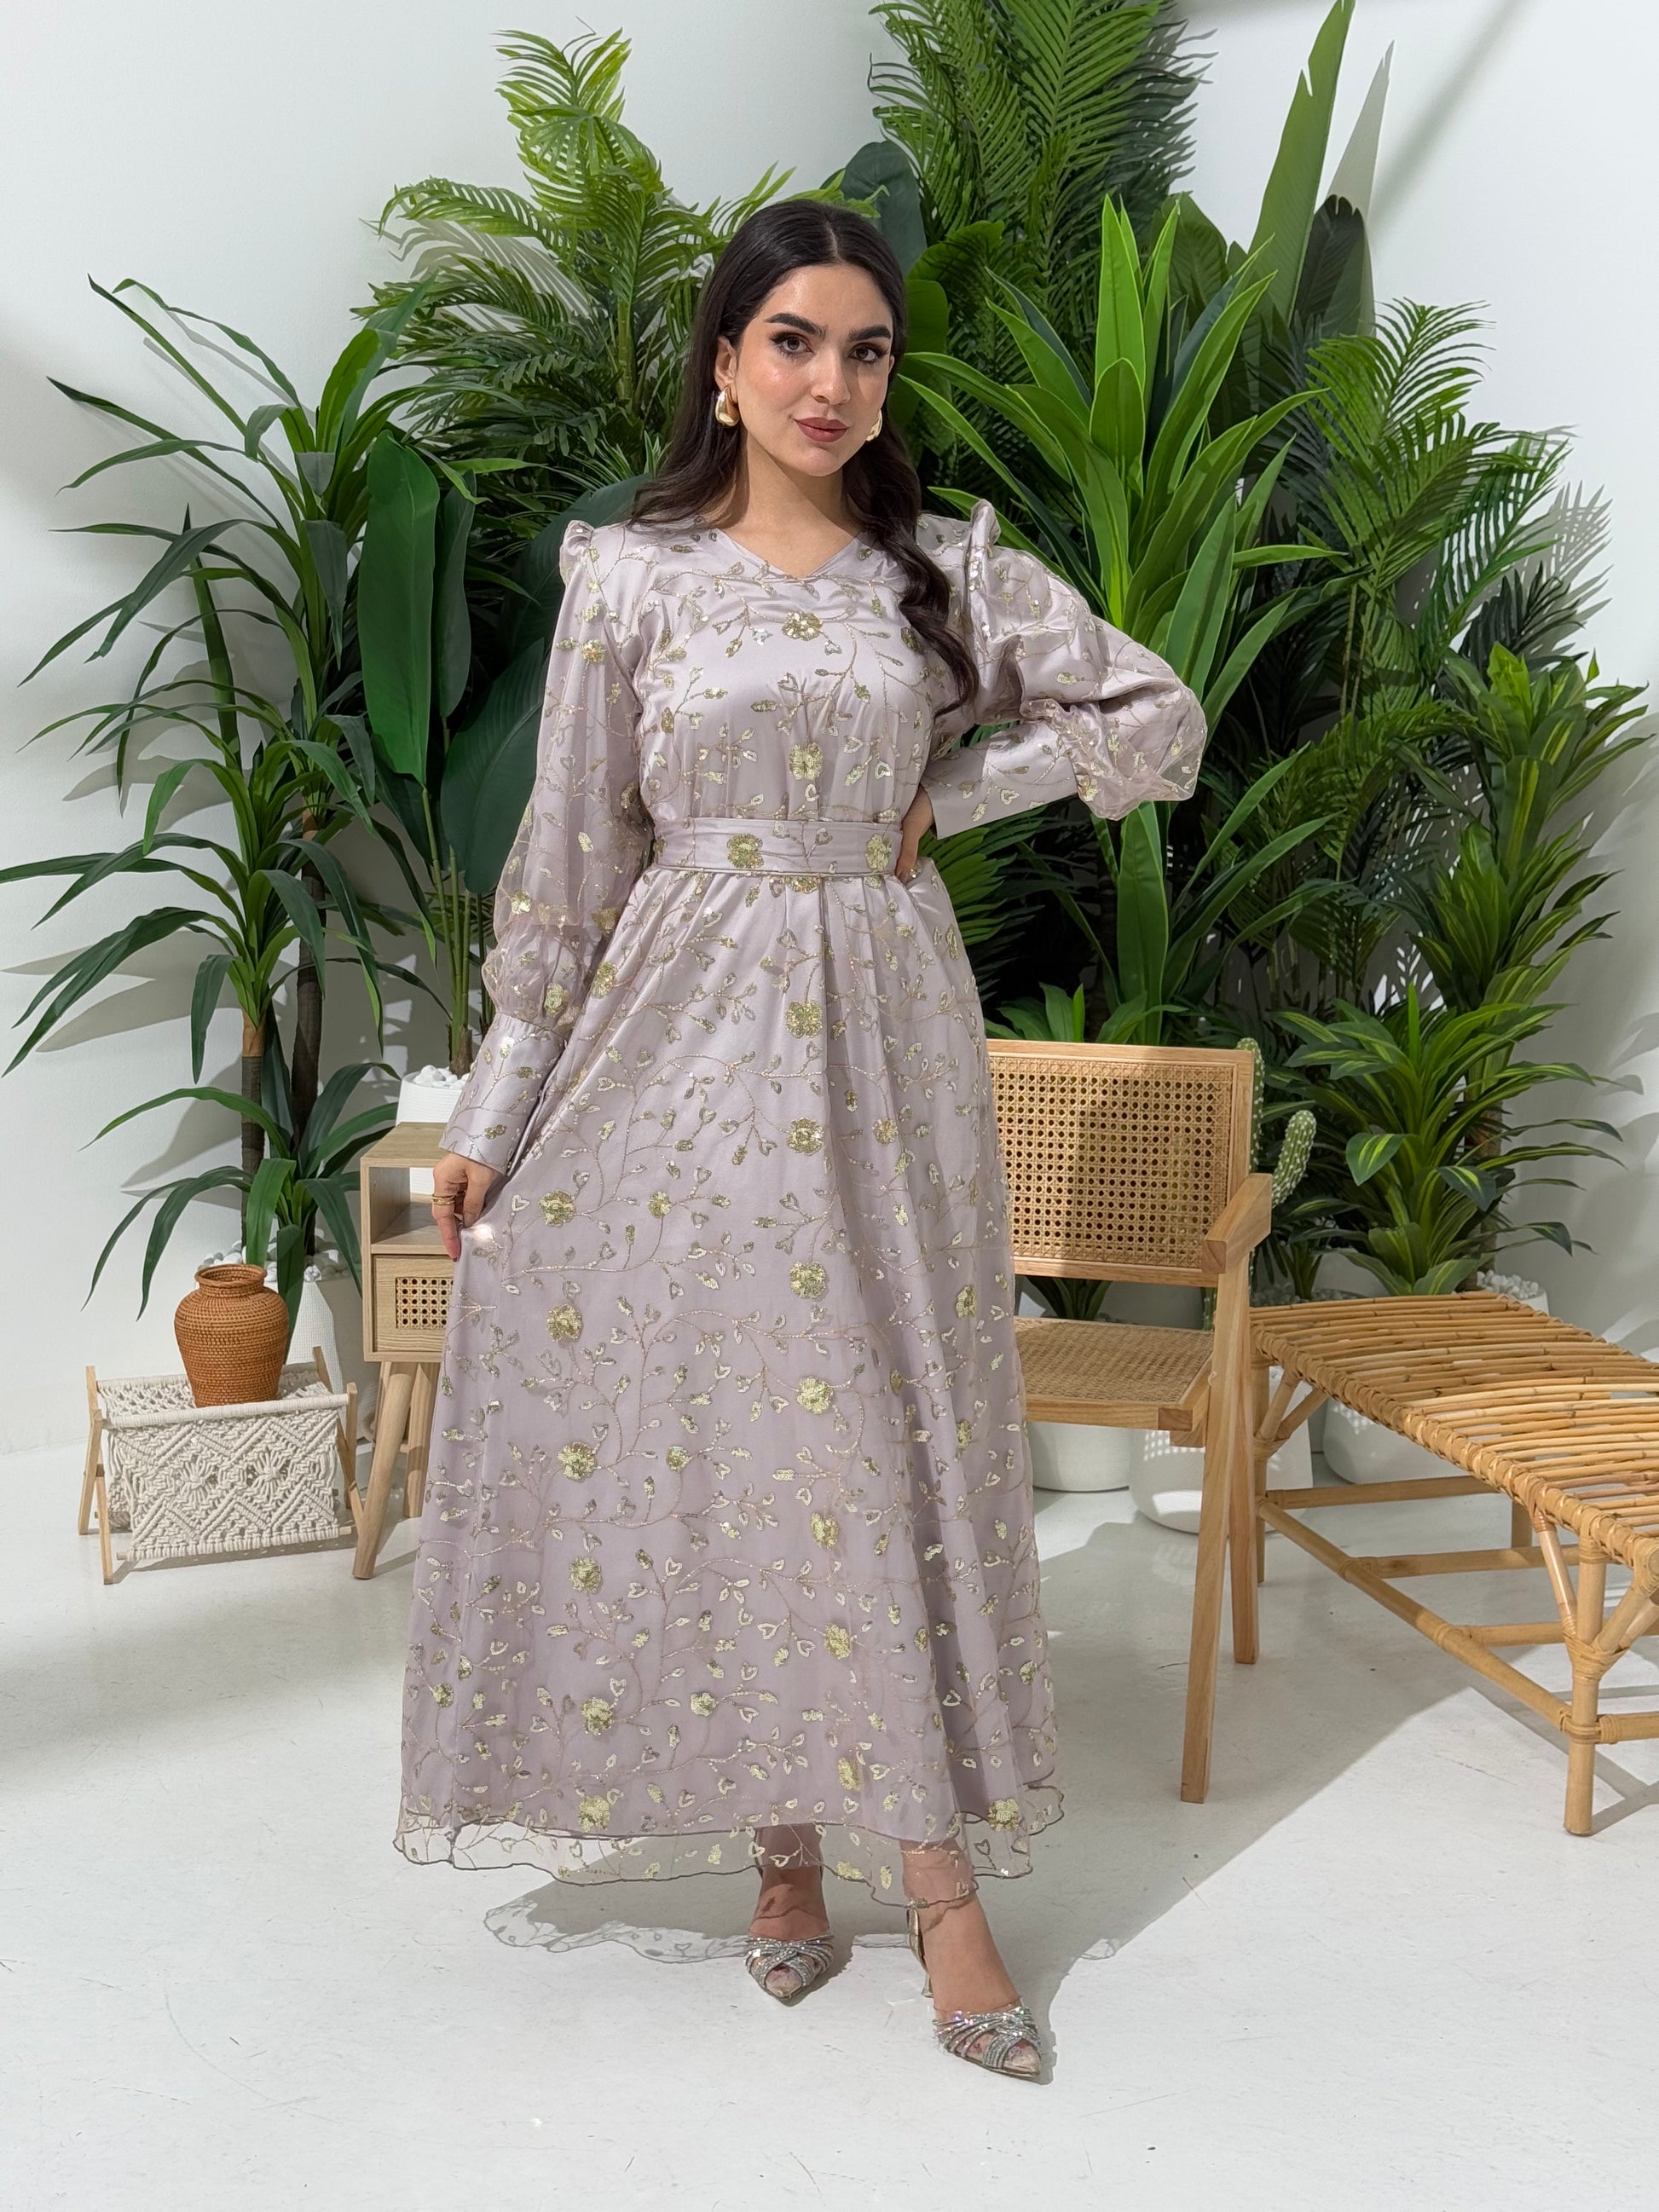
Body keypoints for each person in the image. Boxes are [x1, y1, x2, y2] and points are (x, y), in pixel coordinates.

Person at [398, 198, 1204, 2081]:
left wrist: (959, 785)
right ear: (723, 360)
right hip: (676, 1042)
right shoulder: (633, 576)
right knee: (738, 1415)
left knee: (882, 1409)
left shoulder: (939, 565)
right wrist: (502, 1103)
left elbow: (1150, 717)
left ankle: (935, 1884)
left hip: (884, 1037)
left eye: (864, 350)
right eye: (792, 344)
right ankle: (781, 1848)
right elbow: (572, 861)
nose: (830, 382)